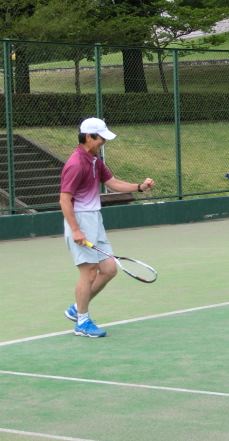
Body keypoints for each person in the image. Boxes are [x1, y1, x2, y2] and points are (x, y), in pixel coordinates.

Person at [60, 118, 156, 337]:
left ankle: (77, 307)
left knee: (109, 269)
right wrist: (75, 229)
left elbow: (113, 183)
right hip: (80, 220)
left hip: (95, 219)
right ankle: (82, 322)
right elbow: (64, 200)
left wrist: (139, 187)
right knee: (89, 272)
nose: (103, 142)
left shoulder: (95, 160)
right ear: (88, 137)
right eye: (101, 138)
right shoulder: (76, 164)